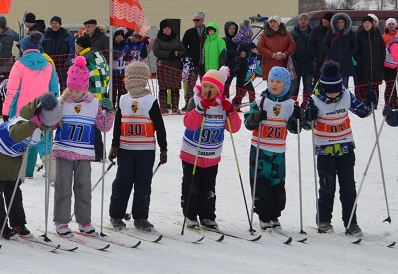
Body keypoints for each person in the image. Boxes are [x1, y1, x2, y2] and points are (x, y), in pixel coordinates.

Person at [303, 61, 374, 236]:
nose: (334, 93)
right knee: (327, 188)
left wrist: (370, 102)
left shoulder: (346, 95)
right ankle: (324, 221)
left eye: (336, 89)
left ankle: (351, 223)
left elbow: (363, 112)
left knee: (348, 188)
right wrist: (308, 116)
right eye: (330, 90)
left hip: (346, 149)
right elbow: (305, 126)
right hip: (325, 151)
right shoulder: (314, 100)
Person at [0, 93, 62, 238]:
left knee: (14, 189)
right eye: (53, 124)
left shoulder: (42, 122)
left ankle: (18, 223)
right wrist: (31, 125)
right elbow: (15, 134)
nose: (55, 126)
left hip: (13, 157)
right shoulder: (26, 121)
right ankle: (0, 225)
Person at [52, 56, 114, 236]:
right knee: (63, 187)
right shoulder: (61, 102)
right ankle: (61, 221)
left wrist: (109, 111)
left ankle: (84, 221)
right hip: (64, 150)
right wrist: (47, 114)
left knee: (84, 188)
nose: (73, 93)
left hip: (84, 153)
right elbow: (52, 124)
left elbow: (104, 127)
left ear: (85, 87)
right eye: (71, 89)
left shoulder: (93, 104)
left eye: (77, 90)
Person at [179, 68, 242, 230]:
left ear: (219, 90)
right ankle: (190, 215)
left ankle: (207, 216)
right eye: (205, 86)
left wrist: (232, 111)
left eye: (212, 87)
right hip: (192, 154)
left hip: (212, 155)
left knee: (208, 189)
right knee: (191, 187)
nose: (207, 90)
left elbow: (234, 128)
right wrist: (200, 110)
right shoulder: (195, 101)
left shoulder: (223, 105)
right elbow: (189, 124)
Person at [108, 61, 167, 232]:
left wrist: (164, 149)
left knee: (143, 185)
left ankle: (141, 217)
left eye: (127, 76)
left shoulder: (150, 101)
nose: (124, 80)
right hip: (126, 150)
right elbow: (118, 125)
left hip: (145, 151)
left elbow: (160, 127)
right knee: (122, 183)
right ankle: (116, 215)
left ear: (135, 79)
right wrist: (114, 146)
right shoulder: (123, 100)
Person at [244, 66, 299, 230]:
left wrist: (299, 118)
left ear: (286, 85)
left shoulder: (289, 104)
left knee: (278, 189)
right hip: (260, 152)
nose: (274, 84)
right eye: (272, 81)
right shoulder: (260, 102)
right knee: (262, 185)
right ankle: (264, 216)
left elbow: (294, 128)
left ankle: (275, 215)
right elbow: (248, 123)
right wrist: (255, 117)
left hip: (278, 154)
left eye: (279, 82)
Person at [3, 31, 60, 178]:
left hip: (22, 111)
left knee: (22, 139)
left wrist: (6, 111)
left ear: (23, 49)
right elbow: (54, 90)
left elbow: (12, 91)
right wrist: (53, 109)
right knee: (44, 140)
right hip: (43, 109)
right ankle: (53, 173)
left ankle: (22, 174)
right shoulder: (48, 65)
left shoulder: (18, 65)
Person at [224, 21, 256, 108]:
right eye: (230, 29)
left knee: (240, 85)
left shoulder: (241, 37)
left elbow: (249, 50)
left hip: (242, 64)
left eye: (233, 29)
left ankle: (237, 102)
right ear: (226, 29)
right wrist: (238, 53)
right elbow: (225, 51)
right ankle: (225, 101)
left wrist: (249, 52)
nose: (232, 30)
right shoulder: (224, 40)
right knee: (227, 84)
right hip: (230, 64)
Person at [355, 15, 385, 104]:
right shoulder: (358, 35)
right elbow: (354, 50)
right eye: (365, 23)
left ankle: (374, 105)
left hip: (376, 67)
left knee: (375, 87)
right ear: (363, 24)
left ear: (372, 24)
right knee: (363, 87)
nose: (367, 24)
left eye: (369, 23)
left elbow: (382, 48)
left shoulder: (377, 35)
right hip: (363, 67)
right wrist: (359, 60)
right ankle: (362, 105)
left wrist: (381, 60)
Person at [323, 12, 358, 90]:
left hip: (346, 64)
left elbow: (355, 46)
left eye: (342, 22)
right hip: (333, 64)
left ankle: (344, 101)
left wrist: (349, 53)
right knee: (333, 85)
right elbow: (325, 45)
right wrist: (330, 53)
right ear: (335, 23)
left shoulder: (350, 33)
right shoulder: (330, 32)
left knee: (344, 86)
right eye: (339, 22)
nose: (340, 24)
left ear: (346, 23)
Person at [256, 15, 296, 82]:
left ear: (279, 23)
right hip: (269, 64)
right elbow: (260, 47)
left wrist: (284, 54)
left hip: (283, 64)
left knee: (283, 84)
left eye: (274, 22)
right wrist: (272, 55)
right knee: (271, 85)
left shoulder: (286, 34)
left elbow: (292, 45)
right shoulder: (264, 35)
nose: (272, 24)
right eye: (270, 22)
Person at [180, 13, 206, 111]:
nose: (195, 22)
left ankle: (205, 103)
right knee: (190, 85)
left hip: (205, 64)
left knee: (205, 85)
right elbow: (183, 46)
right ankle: (188, 104)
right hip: (193, 64)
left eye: (197, 20)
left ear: (202, 20)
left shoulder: (208, 32)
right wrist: (189, 55)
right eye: (194, 20)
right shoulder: (189, 32)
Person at [75, 35, 109, 102]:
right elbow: (107, 74)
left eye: (76, 45)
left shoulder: (82, 60)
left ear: (80, 46)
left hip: (89, 97)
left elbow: (78, 79)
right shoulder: (100, 56)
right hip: (102, 95)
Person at [290, 14, 315, 106]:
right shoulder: (293, 33)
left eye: (305, 19)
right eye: (301, 19)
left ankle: (306, 103)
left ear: (308, 21)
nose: (303, 21)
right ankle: (292, 104)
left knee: (308, 86)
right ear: (299, 21)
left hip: (309, 64)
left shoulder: (312, 32)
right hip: (296, 64)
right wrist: (292, 58)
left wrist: (314, 58)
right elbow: (290, 47)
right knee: (294, 87)